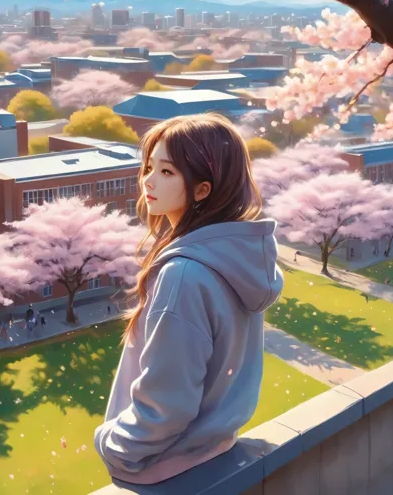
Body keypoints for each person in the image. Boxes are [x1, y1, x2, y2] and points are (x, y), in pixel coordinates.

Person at [94, 112, 283, 485]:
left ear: (202, 189)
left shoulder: (184, 275)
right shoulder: (235, 256)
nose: (148, 181)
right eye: (149, 167)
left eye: (167, 172)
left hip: (163, 467)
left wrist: (112, 445)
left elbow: (167, 406)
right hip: (215, 450)